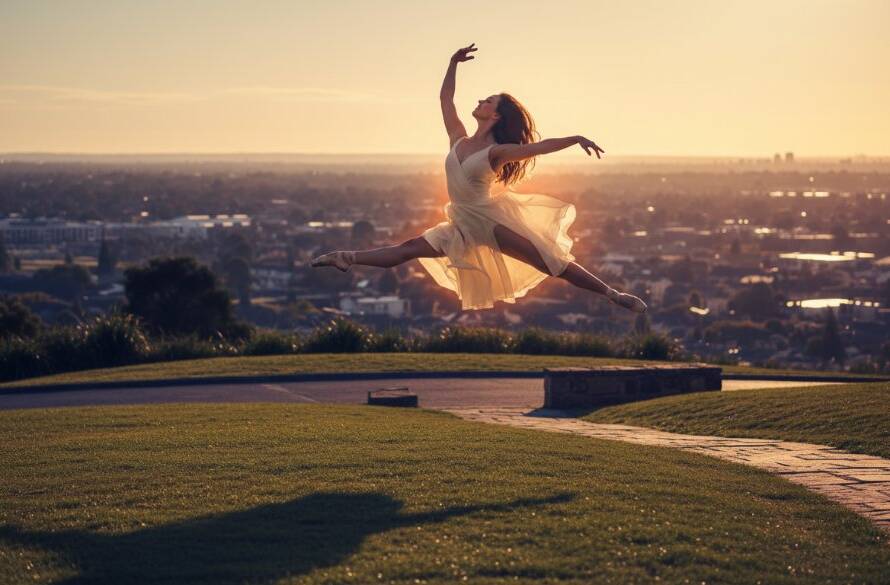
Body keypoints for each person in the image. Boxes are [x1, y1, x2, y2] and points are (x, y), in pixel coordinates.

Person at [312, 43, 646, 314]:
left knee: (548, 261)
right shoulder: (458, 138)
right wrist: (452, 63)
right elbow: (445, 99)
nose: (480, 101)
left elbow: (540, 147)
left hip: (490, 220)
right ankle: (346, 257)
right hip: (461, 222)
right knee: (408, 248)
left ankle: (612, 293)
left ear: (496, 114)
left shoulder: (497, 152)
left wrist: (575, 138)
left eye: (487, 101)